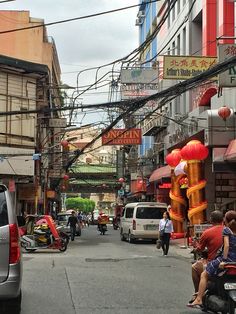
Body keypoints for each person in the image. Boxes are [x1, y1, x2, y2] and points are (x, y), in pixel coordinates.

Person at [188, 210, 236, 309]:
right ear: (222, 220)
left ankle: (198, 296)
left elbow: (225, 246)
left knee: (199, 271)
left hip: (223, 260)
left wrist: (224, 259)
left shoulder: (223, 231)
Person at [189, 210, 224, 303]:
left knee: (195, 267)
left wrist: (195, 245)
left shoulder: (208, 232)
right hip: (229, 262)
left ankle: (198, 295)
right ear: (223, 220)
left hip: (214, 262)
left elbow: (199, 249)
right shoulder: (230, 231)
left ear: (211, 220)